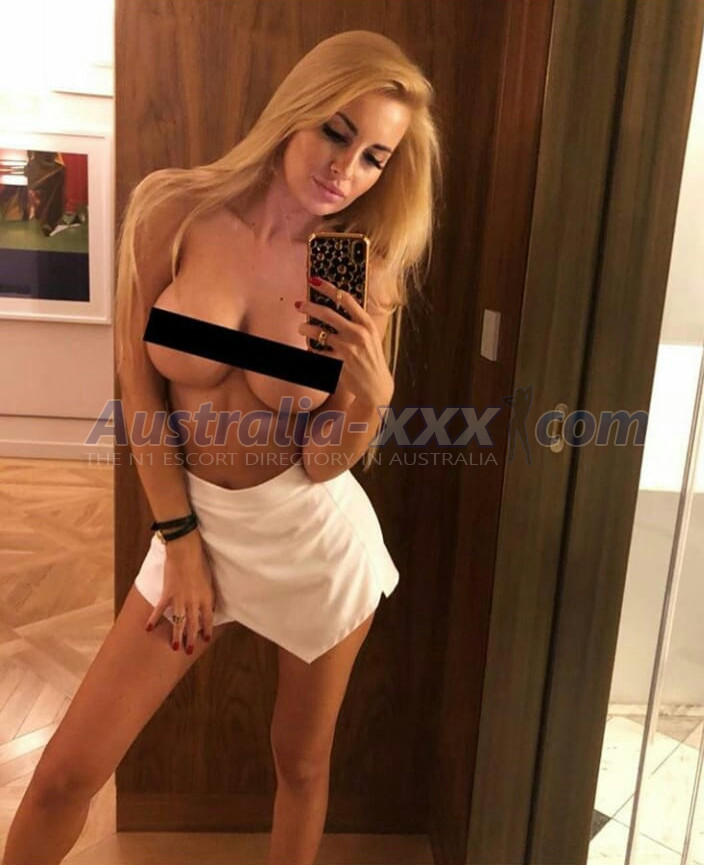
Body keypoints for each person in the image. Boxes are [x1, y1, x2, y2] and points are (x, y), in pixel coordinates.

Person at [1, 29, 442, 865]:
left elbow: (323, 460)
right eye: (337, 131)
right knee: (66, 772)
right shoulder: (173, 211)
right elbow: (139, 389)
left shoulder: (356, 271)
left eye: (374, 158)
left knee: (300, 763)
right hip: (194, 529)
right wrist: (180, 542)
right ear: (297, 109)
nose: (345, 170)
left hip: (314, 545)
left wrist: (369, 397)